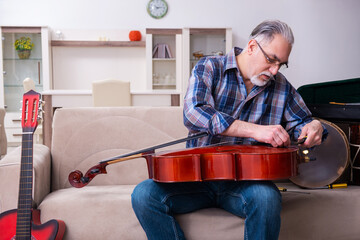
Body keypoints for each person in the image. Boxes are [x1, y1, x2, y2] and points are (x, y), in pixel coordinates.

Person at [132, 19, 326, 240]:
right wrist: (254, 131)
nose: (274, 70)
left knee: (266, 198)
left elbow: (303, 123)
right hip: (195, 178)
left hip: (246, 183)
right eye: (271, 60)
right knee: (144, 194)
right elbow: (193, 113)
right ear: (252, 47)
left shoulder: (281, 87)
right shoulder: (209, 67)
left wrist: (314, 126)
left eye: (281, 64)